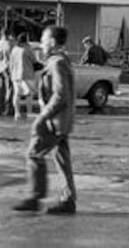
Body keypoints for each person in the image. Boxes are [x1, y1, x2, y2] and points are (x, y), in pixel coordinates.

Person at [12, 25, 77, 214]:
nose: (40, 43)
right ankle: (68, 200)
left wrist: (43, 116)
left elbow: (61, 95)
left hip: (54, 121)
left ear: (53, 42)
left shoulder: (57, 62)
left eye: (43, 39)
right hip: (60, 121)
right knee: (62, 160)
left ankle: (35, 196)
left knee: (34, 154)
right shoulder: (59, 61)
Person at [10, 32, 37, 120]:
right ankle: (29, 113)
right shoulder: (27, 49)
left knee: (16, 94)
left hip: (15, 75)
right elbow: (34, 60)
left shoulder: (14, 49)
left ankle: (17, 113)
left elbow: (11, 63)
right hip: (27, 74)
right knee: (29, 95)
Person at [0, 28, 13, 116]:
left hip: (1, 67)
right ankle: (9, 108)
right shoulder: (10, 44)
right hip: (9, 67)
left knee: (2, 88)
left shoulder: (0, 43)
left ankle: (1, 108)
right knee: (10, 88)